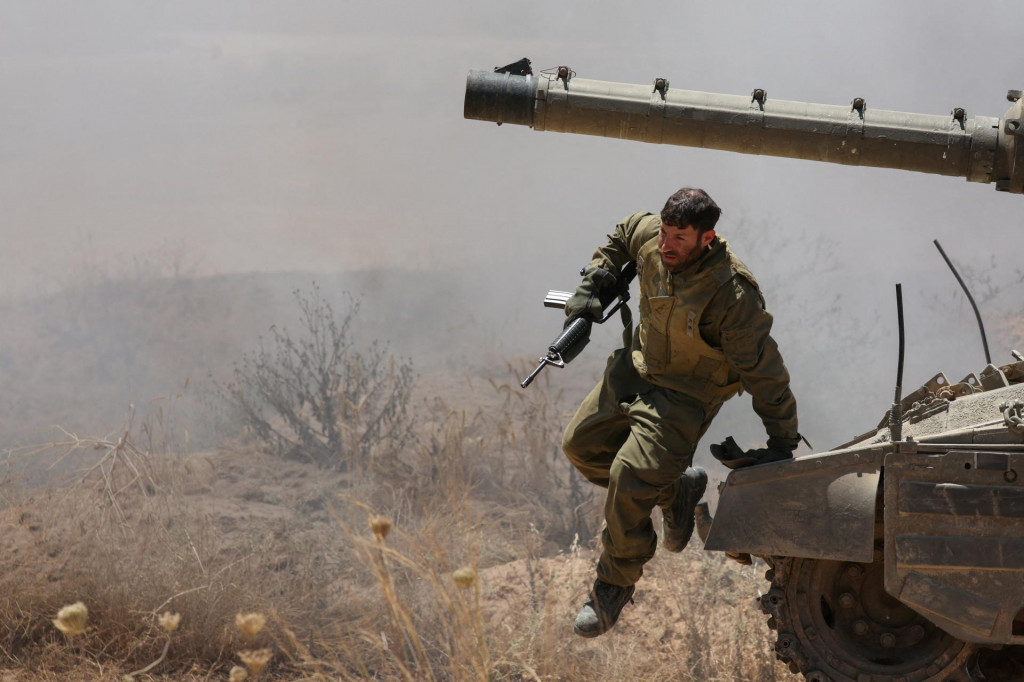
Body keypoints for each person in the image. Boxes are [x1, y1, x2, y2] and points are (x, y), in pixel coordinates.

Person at [561, 187, 799, 638]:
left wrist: (782, 440)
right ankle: (675, 491)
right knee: (581, 446)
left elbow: (766, 373)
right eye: (665, 234)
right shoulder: (652, 236)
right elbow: (624, 234)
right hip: (638, 368)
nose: (666, 246)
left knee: (630, 478)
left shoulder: (733, 296)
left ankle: (613, 585)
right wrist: (596, 280)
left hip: (686, 395)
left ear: (707, 238)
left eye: (680, 239)